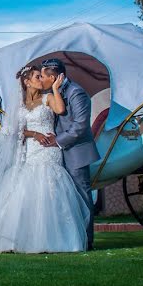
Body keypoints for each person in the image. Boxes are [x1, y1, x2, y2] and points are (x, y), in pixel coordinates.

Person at [0, 65, 90, 252]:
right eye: (37, 77)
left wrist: (54, 89)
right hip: (31, 150)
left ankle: (55, 240)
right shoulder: (20, 106)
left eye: (41, 76)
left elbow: (60, 110)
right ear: (26, 82)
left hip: (49, 149)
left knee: (50, 189)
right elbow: (12, 131)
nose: (40, 79)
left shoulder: (48, 97)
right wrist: (33, 133)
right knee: (26, 191)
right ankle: (19, 239)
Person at [38, 58, 100, 250]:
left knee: (82, 197)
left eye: (43, 76)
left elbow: (80, 126)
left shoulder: (76, 92)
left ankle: (87, 241)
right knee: (67, 199)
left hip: (77, 153)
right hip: (62, 153)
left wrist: (57, 141)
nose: (41, 80)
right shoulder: (56, 92)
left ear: (53, 77)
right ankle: (70, 239)